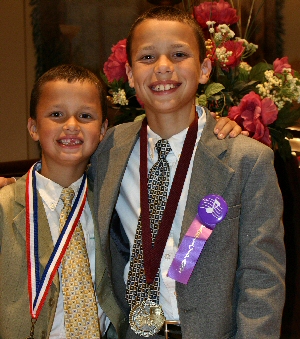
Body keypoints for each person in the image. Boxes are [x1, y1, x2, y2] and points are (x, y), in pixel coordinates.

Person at [90, 6, 285, 339]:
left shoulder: (246, 160)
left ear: (205, 68)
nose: (163, 68)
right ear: (131, 74)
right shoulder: (109, 148)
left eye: (179, 54)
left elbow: (262, 280)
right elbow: (60, 178)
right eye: (147, 58)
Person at [0, 64, 124, 339]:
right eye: (56, 114)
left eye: (85, 115)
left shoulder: (113, 202)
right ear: (33, 127)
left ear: (103, 129)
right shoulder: (4, 207)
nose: (71, 125)